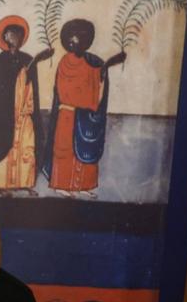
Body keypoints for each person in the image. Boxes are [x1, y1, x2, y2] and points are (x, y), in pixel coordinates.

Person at [41, 19, 125, 198]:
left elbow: (98, 82)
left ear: (85, 40)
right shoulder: (65, 62)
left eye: (77, 38)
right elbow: (67, 92)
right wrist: (104, 68)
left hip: (85, 116)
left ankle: (83, 186)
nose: (73, 42)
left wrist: (105, 68)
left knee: (85, 153)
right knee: (65, 151)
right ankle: (61, 184)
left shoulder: (93, 62)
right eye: (70, 40)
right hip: (68, 114)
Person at [0, 17, 51, 194]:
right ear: (5, 37)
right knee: (6, 147)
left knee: (26, 148)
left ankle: (24, 182)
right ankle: (2, 183)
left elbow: (31, 86)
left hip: (25, 113)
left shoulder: (27, 58)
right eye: (12, 34)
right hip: (5, 115)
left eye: (19, 34)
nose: (16, 38)